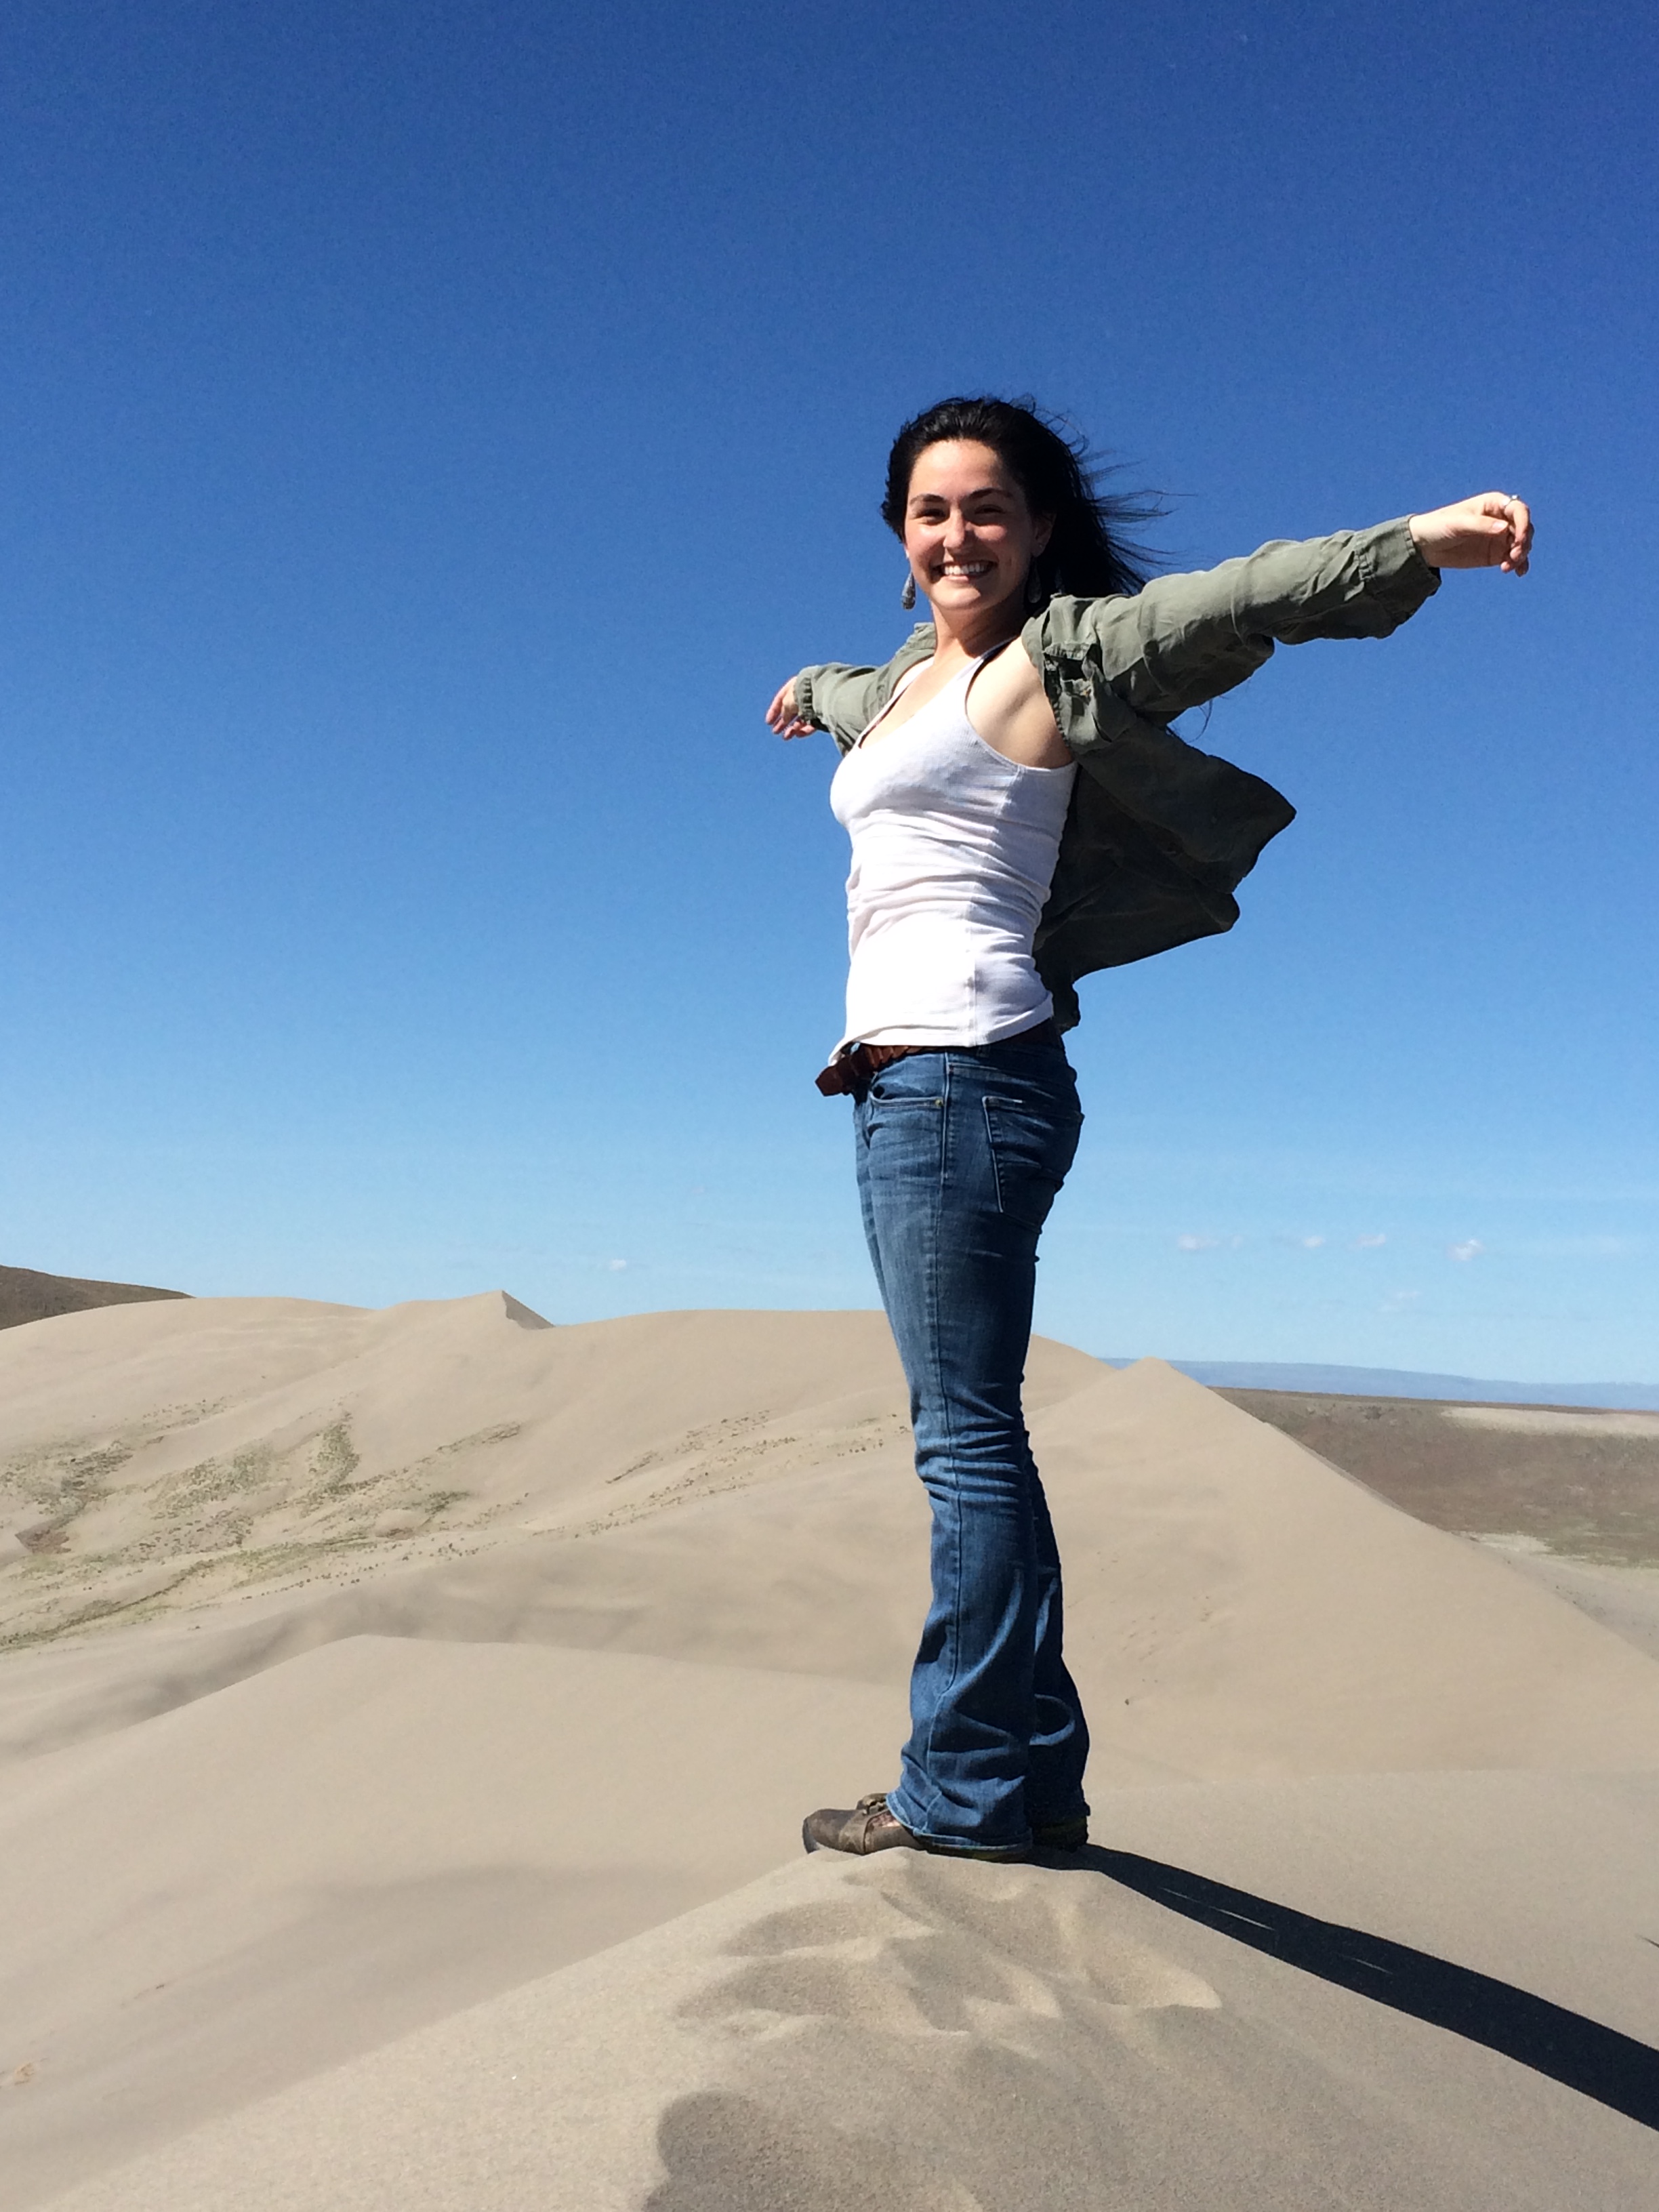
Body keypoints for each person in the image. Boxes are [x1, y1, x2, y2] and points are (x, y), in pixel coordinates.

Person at [766, 396, 1532, 1863]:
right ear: (900, 536)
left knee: (965, 1446)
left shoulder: (1059, 660)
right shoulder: (919, 682)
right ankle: (1031, 1785)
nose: (957, 535)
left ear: (1040, 528)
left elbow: (1239, 597)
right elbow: (867, 695)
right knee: (980, 1438)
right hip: (928, 1086)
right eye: (931, 513)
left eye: (988, 508)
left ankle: (965, 1791)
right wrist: (811, 683)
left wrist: (1417, 544)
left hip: (958, 1081)